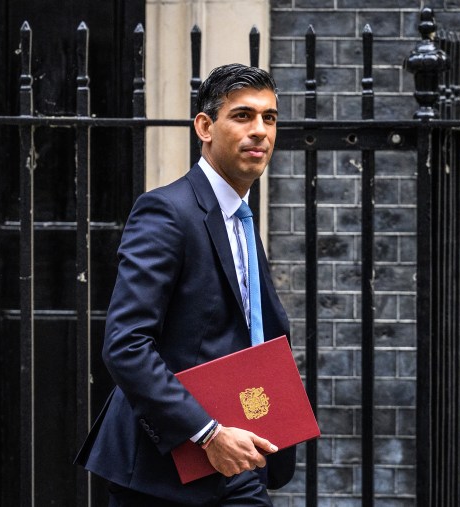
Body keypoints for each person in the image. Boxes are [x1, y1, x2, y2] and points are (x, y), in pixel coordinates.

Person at [75, 63, 296, 506]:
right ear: (205, 126)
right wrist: (207, 433)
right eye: (242, 116)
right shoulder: (166, 212)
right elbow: (126, 344)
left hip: (238, 461)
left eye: (268, 118)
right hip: (166, 471)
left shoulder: (241, 220)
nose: (259, 131)